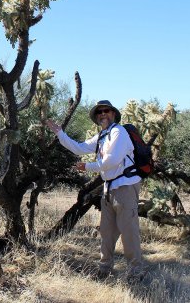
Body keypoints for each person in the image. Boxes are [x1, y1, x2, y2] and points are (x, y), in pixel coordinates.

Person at [44, 100, 144, 281]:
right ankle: (104, 269)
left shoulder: (118, 132)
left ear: (113, 114)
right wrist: (59, 133)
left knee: (129, 231)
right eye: (99, 112)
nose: (102, 114)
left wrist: (87, 167)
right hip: (109, 187)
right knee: (107, 231)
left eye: (106, 111)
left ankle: (136, 272)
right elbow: (79, 148)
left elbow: (111, 161)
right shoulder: (102, 136)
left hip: (125, 186)